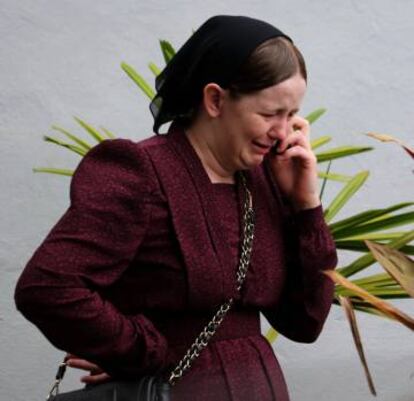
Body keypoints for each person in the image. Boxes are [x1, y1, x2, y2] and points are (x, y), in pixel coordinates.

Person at [15, 15, 338, 401]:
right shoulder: (139, 171)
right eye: (270, 114)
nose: (283, 132)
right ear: (215, 99)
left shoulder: (265, 181)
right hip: (173, 391)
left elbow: (306, 322)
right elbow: (48, 287)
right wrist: (142, 353)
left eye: (291, 115)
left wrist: (306, 205)